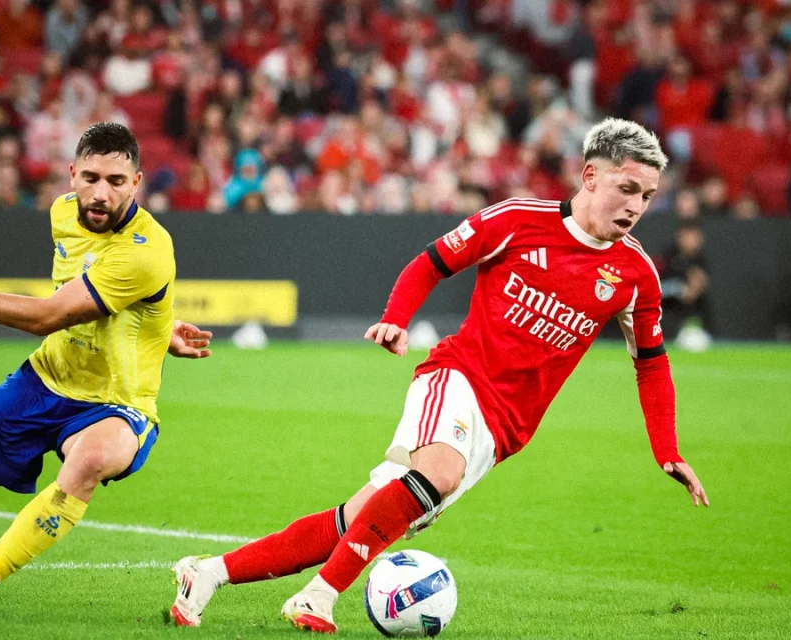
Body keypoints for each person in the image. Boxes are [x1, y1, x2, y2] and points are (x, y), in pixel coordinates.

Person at [167, 118, 710, 632]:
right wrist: (396, 319)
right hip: (457, 377)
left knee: (354, 520)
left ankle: (208, 572)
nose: (636, 206)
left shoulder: (635, 275)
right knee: (438, 474)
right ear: (590, 176)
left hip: (503, 432)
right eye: (627, 188)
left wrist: (667, 450)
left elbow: (651, 363)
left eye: (647, 196)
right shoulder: (517, 219)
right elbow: (431, 263)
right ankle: (318, 596)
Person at [0, 123, 212, 614]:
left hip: (116, 402)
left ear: (137, 183)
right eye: (90, 178)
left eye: (116, 181)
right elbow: (85, 290)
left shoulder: (146, 250)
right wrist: (158, 325)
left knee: (90, 459)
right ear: (71, 175)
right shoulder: (62, 213)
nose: (101, 193)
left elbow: (48, 316)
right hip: (44, 379)